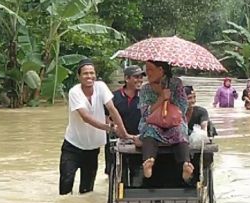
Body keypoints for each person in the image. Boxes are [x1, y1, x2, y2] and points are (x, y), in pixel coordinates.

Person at [59, 58, 131, 195]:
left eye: (92, 73)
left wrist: (124, 132)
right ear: (79, 76)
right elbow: (85, 117)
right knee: (66, 185)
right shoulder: (74, 92)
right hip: (72, 146)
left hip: (92, 148)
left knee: (87, 191)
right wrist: (108, 128)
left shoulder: (101, 87)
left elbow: (112, 108)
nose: (89, 76)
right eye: (85, 73)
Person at [138, 60, 193, 182]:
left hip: (174, 122)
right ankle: (148, 162)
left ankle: (185, 165)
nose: (147, 73)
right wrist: (161, 98)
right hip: (153, 123)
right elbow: (145, 114)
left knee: (179, 130)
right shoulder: (145, 89)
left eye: (150, 70)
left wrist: (169, 99)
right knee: (149, 130)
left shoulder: (176, 84)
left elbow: (183, 108)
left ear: (161, 70)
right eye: (146, 70)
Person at [104, 65, 145, 175]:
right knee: (113, 173)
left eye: (141, 77)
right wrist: (113, 127)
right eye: (136, 77)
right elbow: (106, 118)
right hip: (117, 140)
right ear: (127, 79)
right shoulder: (113, 97)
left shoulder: (145, 97)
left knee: (136, 173)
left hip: (137, 140)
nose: (140, 80)